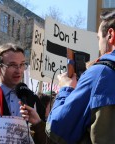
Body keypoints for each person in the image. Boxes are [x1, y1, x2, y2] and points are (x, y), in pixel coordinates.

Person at [46, 10, 115, 144]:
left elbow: (57, 128)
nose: (99, 45)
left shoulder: (101, 73)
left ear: (110, 35)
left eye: (99, 38)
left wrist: (66, 88)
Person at [0, 43, 45, 144]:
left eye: (22, 64)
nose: (19, 70)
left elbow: (44, 140)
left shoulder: (32, 98)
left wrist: (38, 124)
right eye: (12, 65)